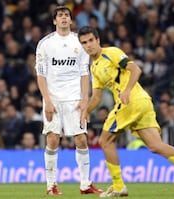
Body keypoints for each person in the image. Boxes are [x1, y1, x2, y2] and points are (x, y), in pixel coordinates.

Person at [77, 26, 174, 197]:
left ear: (98, 40)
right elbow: (96, 97)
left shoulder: (111, 53)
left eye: (91, 40)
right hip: (141, 103)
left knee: (105, 140)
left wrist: (128, 89)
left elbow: (135, 69)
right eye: (84, 42)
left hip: (132, 101)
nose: (88, 45)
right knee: (156, 146)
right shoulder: (94, 67)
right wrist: (85, 111)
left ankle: (118, 185)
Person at [35, 6, 102, 195]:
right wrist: (47, 100)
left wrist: (84, 100)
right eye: (60, 16)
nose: (64, 18)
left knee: (81, 139)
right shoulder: (45, 44)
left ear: (71, 21)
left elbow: (84, 72)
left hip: (74, 98)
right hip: (53, 98)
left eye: (66, 15)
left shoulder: (78, 42)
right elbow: (41, 74)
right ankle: (51, 186)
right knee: (53, 139)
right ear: (54, 21)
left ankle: (85, 184)